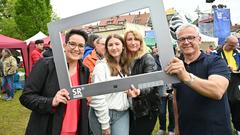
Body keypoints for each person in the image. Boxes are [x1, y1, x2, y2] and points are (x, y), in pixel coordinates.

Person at [165, 23, 233, 135]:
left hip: (215, 130)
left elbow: (217, 91)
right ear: (178, 43)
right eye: (182, 39)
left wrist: (186, 77)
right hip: (187, 129)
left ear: (199, 40)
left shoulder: (215, 62)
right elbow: (176, 99)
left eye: (190, 37)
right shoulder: (177, 66)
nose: (186, 42)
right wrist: (177, 128)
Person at [19, 29, 90, 135]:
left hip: (76, 130)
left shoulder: (84, 70)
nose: (76, 49)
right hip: (48, 128)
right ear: (65, 45)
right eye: (72, 44)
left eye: (81, 45)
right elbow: (26, 97)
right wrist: (51, 101)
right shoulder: (45, 65)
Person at [89, 34, 130, 135]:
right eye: (110, 45)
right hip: (102, 114)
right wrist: (104, 123)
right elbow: (97, 96)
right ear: (106, 48)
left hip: (122, 113)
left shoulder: (126, 66)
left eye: (117, 44)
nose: (114, 47)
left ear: (123, 46)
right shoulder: (101, 67)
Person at [124, 30, 161, 135]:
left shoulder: (147, 58)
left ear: (141, 42)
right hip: (129, 107)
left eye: (136, 39)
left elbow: (152, 82)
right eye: (129, 39)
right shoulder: (124, 59)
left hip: (146, 108)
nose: (133, 42)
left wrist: (139, 91)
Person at [215, 35, 240, 135]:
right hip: (222, 81)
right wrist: (225, 68)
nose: (234, 47)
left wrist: (235, 69)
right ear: (226, 42)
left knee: (237, 103)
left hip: (235, 81)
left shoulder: (237, 52)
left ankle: (238, 127)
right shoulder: (217, 53)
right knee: (223, 105)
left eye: (235, 45)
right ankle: (223, 128)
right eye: (232, 45)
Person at [151, 45, 175, 135]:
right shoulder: (154, 59)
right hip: (161, 89)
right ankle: (162, 128)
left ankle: (172, 129)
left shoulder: (173, 59)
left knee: (172, 112)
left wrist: (173, 90)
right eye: (157, 47)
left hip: (172, 89)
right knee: (161, 112)